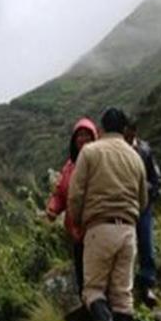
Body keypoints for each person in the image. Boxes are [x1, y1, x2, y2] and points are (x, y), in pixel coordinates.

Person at [69, 107, 148, 321]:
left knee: (93, 291)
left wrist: (79, 220)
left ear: (101, 128)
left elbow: (75, 194)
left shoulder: (90, 152)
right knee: (122, 297)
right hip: (128, 231)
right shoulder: (135, 157)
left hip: (99, 227)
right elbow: (143, 201)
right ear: (124, 129)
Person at [46, 117, 99, 292]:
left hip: (96, 229)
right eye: (79, 135)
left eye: (87, 135)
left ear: (94, 138)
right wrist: (53, 208)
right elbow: (61, 193)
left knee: (97, 278)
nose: (83, 139)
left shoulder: (101, 162)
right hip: (76, 233)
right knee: (83, 278)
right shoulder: (69, 167)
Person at [125, 119, 161, 307]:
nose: (127, 135)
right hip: (124, 206)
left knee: (146, 244)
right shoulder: (118, 151)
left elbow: (156, 178)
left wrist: (149, 192)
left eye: (130, 131)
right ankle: (127, 287)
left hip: (144, 206)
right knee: (127, 247)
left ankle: (147, 285)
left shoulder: (145, 150)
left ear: (134, 131)